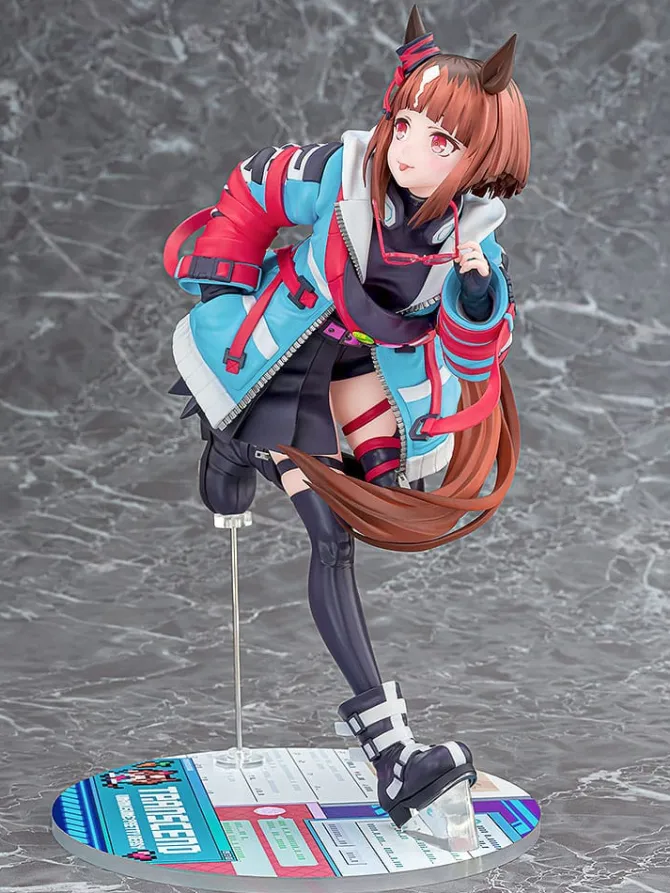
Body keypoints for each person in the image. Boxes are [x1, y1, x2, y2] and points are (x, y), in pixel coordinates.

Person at [164, 5, 530, 832]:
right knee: (320, 526)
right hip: (285, 351)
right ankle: (393, 752)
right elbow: (255, 186)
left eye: (442, 141)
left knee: (342, 525)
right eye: (407, 123)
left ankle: (231, 447)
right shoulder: (342, 171)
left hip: (364, 386)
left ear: (481, 159)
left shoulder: (472, 245)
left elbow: (474, 352)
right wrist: (223, 286)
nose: (410, 149)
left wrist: (476, 291)